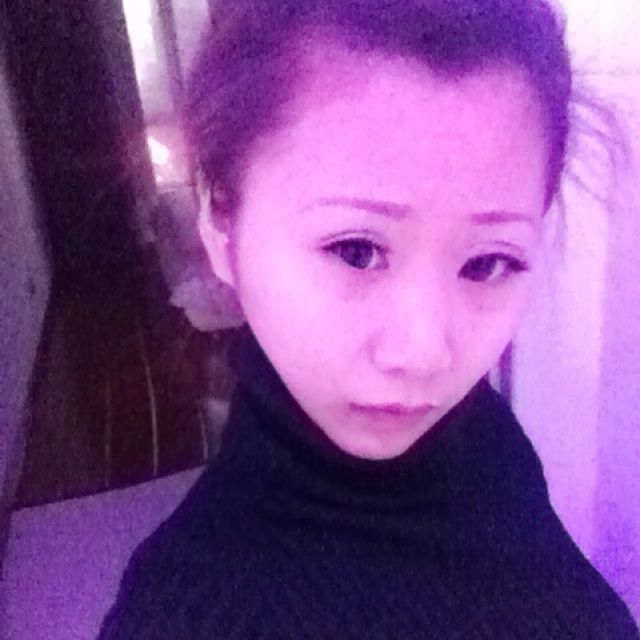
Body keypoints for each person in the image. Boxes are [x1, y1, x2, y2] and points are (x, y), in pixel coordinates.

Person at [97, 0, 640, 637]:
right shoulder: (185, 615)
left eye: (488, 263)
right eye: (356, 251)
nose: (424, 354)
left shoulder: (481, 435)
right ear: (221, 222)